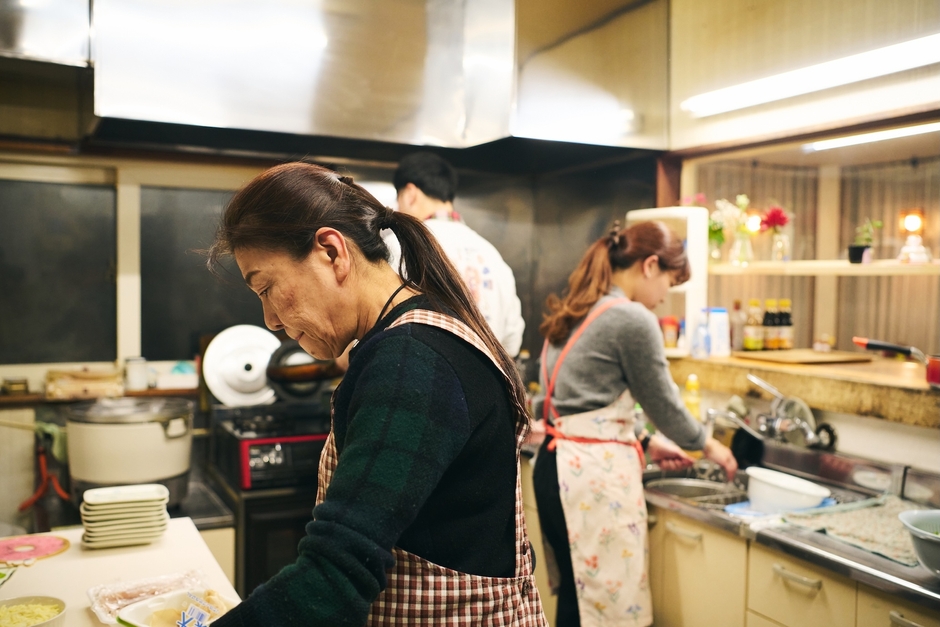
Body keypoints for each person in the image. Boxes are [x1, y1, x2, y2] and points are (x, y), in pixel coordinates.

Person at [207, 162, 547, 626]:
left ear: (332, 251)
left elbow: (334, 573)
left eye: (267, 287)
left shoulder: (411, 361)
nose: (269, 319)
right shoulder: (419, 336)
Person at [532, 220, 738, 627]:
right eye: (669, 282)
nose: (665, 297)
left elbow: (576, 402)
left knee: (580, 603)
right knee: (604, 612)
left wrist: (644, 442)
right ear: (649, 266)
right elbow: (664, 403)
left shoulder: (580, 306)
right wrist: (710, 446)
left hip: (555, 467)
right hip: (589, 478)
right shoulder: (631, 319)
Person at [392, 151, 526, 356]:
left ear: (410, 194)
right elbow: (512, 341)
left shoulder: (400, 246)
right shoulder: (491, 254)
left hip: (419, 379)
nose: (397, 208)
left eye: (398, 199)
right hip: (487, 383)